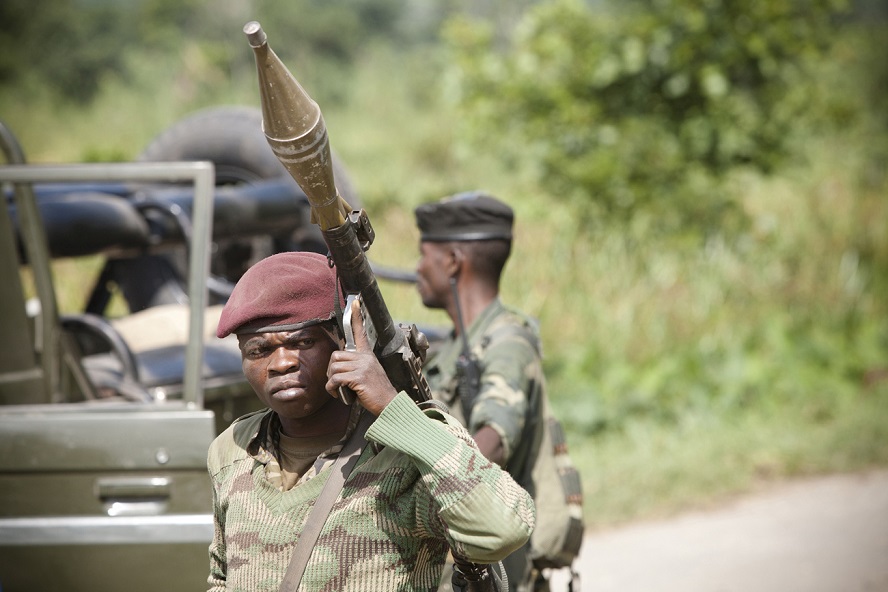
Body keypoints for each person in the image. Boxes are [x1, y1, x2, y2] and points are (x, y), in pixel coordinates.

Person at [206, 251, 534, 592]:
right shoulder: (234, 449)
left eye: (303, 342)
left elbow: (505, 529)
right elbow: (221, 578)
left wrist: (392, 406)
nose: (281, 363)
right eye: (258, 350)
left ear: (346, 341)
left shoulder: (402, 452)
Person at [415, 192, 553, 592]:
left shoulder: (507, 343)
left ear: (452, 262)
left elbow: (492, 442)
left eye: (423, 255)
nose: (417, 268)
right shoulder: (459, 345)